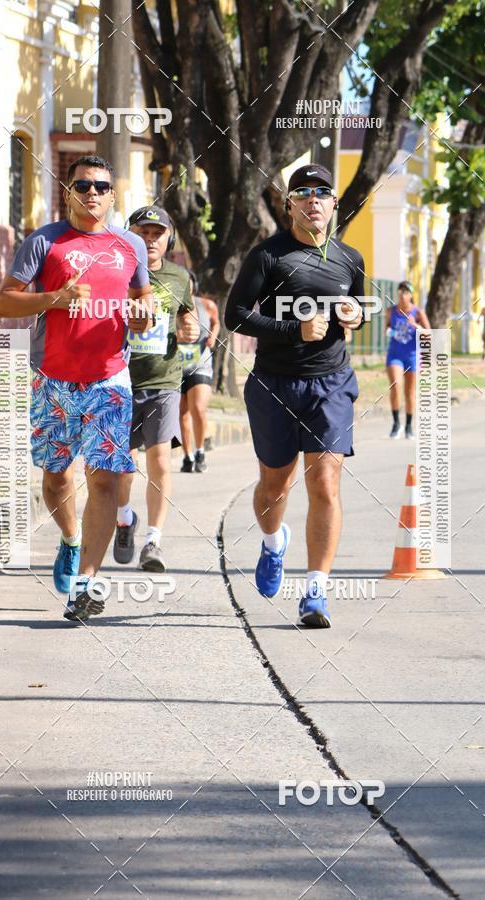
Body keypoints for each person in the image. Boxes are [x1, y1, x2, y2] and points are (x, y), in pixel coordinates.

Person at [0, 155, 152, 621]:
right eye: (83, 184)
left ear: (113, 194)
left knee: (104, 478)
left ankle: (87, 583)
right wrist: (56, 299)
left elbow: (143, 298)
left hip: (110, 377)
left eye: (102, 186)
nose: (93, 193)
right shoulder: (44, 242)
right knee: (57, 476)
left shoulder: (131, 247)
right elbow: (5, 301)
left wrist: (144, 315)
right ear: (69, 190)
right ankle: (69, 538)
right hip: (52, 378)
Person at [225, 163, 365, 629]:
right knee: (274, 487)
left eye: (321, 193)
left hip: (332, 383)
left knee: (324, 482)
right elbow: (236, 316)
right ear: (289, 205)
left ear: (333, 204)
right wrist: (294, 329)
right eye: (302, 193)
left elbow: (359, 310)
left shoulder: (350, 259)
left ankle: (316, 592)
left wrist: (355, 316)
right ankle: (272, 542)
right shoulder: (268, 256)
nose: (313, 201)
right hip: (274, 384)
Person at [112, 206, 199, 572]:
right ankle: (124, 518)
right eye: (143, 232)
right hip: (119, 379)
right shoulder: (116, 273)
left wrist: (190, 327)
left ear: (169, 239)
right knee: (122, 466)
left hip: (163, 380)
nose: (150, 239)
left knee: (160, 458)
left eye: (157, 233)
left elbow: (187, 315)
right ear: (129, 235)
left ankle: (153, 540)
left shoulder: (180, 277)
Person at [179, 272, 220, 473]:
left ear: (194, 284)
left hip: (200, 362)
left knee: (198, 408)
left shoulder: (206, 305)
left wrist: (213, 336)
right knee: (182, 413)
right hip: (176, 365)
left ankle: (200, 450)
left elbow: (216, 321)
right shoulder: (170, 305)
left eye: (189, 283)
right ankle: (187, 456)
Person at [385, 281, 431, 440]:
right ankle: (396, 423)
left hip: (412, 355)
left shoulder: (418, 312)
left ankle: (409, 426)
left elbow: (429, 334)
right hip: (395, 354)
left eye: (406, 292)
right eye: (401, 291)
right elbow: (387, 328)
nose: (403, 295)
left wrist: (416, 326)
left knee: (410, 392)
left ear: (411, 295)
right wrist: (390, 332)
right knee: (396, 386)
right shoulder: (391, 311)